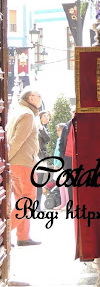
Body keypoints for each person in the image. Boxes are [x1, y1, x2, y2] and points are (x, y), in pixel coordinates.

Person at [6, 86, 43, 245]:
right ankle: (5, 233)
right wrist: (6, 160)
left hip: (18, 163)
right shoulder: (27, 115)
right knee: (28, 200)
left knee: (22, 200)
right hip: (23, 164)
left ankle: (23, 237)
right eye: (38, 96)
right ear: (31, 98)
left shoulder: (18, 111)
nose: (40, 98)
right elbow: (17, 141)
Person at [36, 110, 51, 210]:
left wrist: (42, 128)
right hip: (36, 157)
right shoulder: (36, 128)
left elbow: (47, 139)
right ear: (40, 117)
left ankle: (37, 205)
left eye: (48, 116)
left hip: (42, 157)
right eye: (45, 116)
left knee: (39, 181)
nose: (47, 118)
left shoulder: (44, 128)